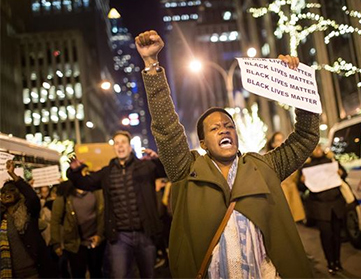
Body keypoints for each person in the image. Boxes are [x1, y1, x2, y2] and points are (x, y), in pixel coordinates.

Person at [135, 30, 319, 278]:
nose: (224, 129)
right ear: (203, 142)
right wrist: (152, 65)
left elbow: (305, 138)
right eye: (215, 127)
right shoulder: (186, 170)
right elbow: (167, 129)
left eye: (229, 125)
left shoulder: (263, 167)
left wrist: (299, 86)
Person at [67, 131, 167, 278]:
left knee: (148, 275)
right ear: (114, 148)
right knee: (119, 275)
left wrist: (157, 160)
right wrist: (75, 171)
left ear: (130, 146)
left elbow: (166, 172)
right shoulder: (107, 172)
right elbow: (84, 182)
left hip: (145, 233)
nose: (120, 146)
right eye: (117, 143)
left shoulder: (145, 167)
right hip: (119, 237)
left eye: (123, 142)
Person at [0, 160, 57, 278]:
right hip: (11, 274)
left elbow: (32, 197)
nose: (7, 194)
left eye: (11, 190)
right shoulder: (2, 217)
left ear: (19, 193)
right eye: (3, 192)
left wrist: (13, 175)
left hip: (34, 272)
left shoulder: (28, 212)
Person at [298, 144, 347, 275]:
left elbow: (344, 174)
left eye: (319, 148)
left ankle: (337, 261)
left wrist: (341, 173)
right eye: (314, 148)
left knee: (337, 235)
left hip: (336, 203)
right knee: (326, 235)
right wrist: (302, 181)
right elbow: (301, 188)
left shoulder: (331, 160)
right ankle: (330, 262)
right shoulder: (307, 166)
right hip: (320, 206)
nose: (317, 150)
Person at [50, 181, 105, 278]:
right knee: (78, 273)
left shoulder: (96, 190)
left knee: (97, 272)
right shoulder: (65, 192)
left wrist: (100, 234)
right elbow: (55, 220)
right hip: (75, 243)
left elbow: (102, 214)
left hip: (96, 241)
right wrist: (56, 243)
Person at [266, 131, 306, 223]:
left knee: (295, 223)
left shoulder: (290, 157)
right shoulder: (270, 160)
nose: (281, 142)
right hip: (280, 195)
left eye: (282, 139)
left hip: (293, 192)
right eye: (278, 140)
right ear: (273, 144)